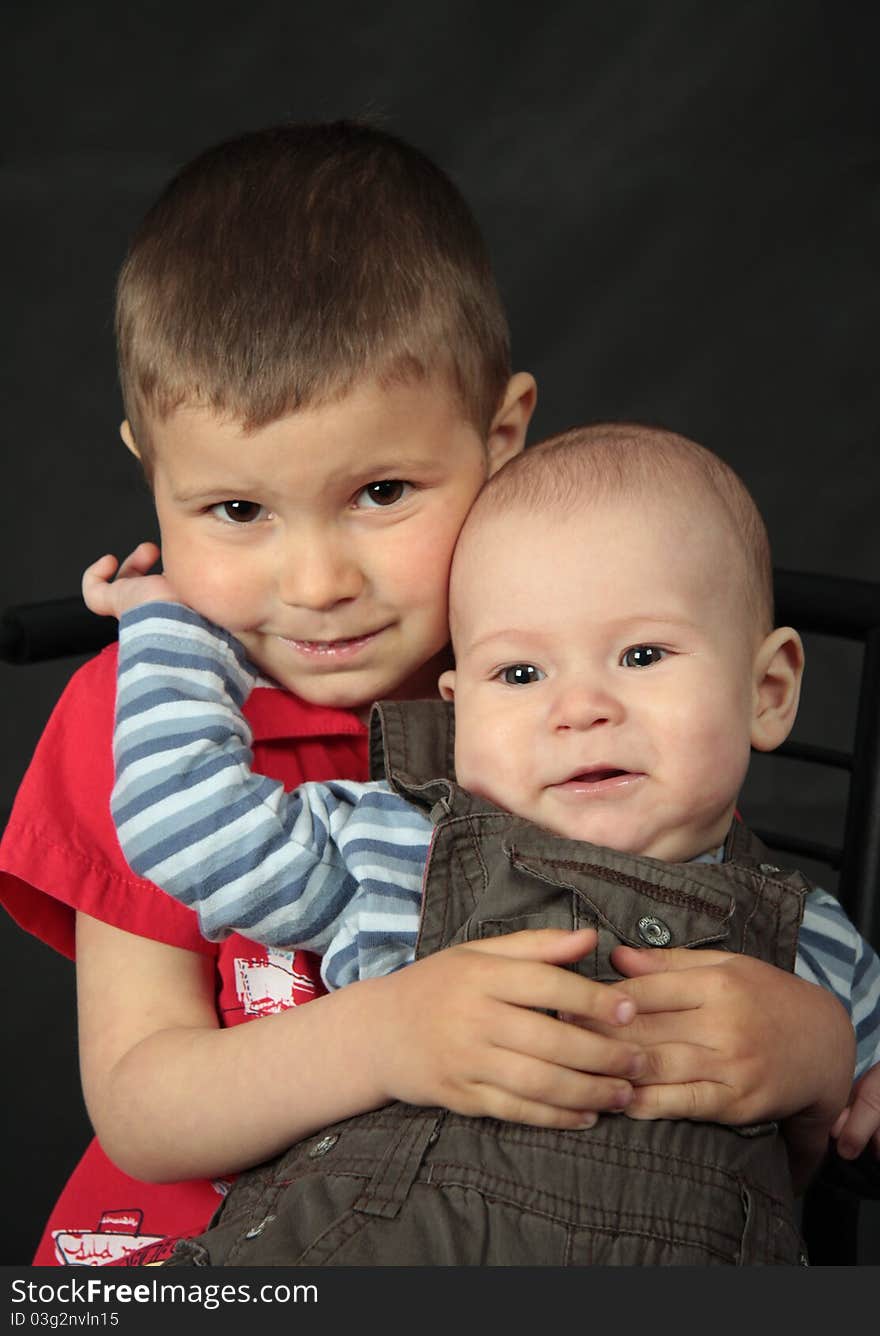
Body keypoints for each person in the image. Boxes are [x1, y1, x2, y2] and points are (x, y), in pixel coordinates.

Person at [0, 118, 867, 1268]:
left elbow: (726, 902)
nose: (316, 584)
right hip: (202, 1250)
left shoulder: (569, 672)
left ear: (501, 434)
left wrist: (818, 1042)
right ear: (151, 473)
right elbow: (146, 1112)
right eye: (236, 511)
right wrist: (388, 1035)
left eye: (382, 490)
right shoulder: (145, 730)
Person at [86, 424, 880, 1265]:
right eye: (521, 675)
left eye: (641, 655)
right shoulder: (399, 847)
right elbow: (188, 826)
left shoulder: (815, 947)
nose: (578, 710)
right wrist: (174, 629)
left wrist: (830, 1055)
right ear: (458, 713)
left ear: (767, 692)